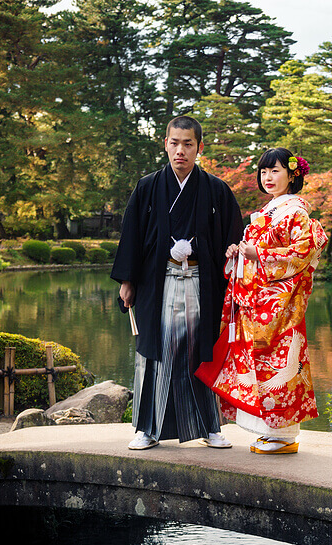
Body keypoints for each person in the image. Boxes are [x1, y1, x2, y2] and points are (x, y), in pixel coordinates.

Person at [111, 115, 243, 450]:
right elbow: (131, 237)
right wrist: (127, 281)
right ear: (165, 144)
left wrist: (234, 269)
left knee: (201, 351)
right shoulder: (148, 186)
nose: (180, 150)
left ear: (200, 146)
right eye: (174, 143)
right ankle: (148, 429)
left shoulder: (216, 190)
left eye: (188, 144)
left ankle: (209, 427)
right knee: (156, 352)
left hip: (202, 281)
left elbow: (233, 240)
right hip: (160, 281)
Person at [205, 148, 328, 454]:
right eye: (263, 172)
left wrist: (258, 254)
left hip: (280, 307)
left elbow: (303, 252)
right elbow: (252, 252)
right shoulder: (270, 210)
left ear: (291, 175)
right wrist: (238, 255)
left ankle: (284, 435)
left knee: (279, 366)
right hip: (256, 303)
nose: (268, 178)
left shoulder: (295, 211)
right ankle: (268, 432)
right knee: (259, 365)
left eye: (275, 171)